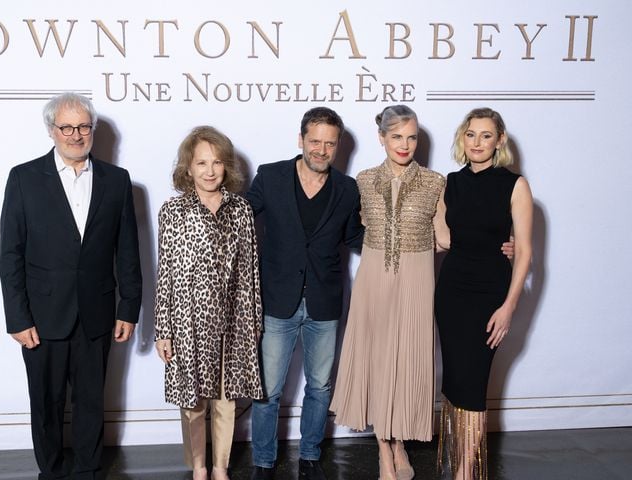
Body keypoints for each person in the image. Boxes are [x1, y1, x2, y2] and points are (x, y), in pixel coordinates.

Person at [0, 92, 142, 480]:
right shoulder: (24, 178)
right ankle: (51, 472)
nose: (76, 135)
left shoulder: (117, 180)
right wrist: (17, 317)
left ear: (92, 130)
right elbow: (10, 255)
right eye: (67, 127)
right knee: (46, 403)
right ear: (52, 131)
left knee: (91, 402)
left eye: (83, 127)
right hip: (41, 318)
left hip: (97, 313)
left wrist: (129, 307)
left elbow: (127, 251)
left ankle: (88, 471)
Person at [247, 107, 364, 480]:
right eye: (315, 141)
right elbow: (239, 220)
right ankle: (263, 462)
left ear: (338, 146)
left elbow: (357, 238)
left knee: (319, 386)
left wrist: (413, 236)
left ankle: (310, 456)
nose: (321, 149)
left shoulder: (347, 188)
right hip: (277, 300)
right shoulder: (270, 175)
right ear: (301, 140)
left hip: (325, 302)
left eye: (329, 143)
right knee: (268, 390)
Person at [330, 105, 445, 480]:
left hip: (416, 279)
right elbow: (349, 226)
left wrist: (497, 243)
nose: (404, 144)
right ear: (381, 138)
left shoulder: (435, 182)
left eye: (411, 137)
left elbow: (444, 237)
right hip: (374, 278)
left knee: (408, 361)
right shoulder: (361, 180)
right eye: (396, 136)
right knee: (378, 362)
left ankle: (400, 443)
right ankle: (384, 449)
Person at [154, 126, 264, 480]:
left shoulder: (242, 210)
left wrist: (254, 323)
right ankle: (198, 467)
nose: (210, 170)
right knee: (193, 403)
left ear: (226, 166)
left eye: (217, 162)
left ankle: (220, 467)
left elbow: (250, 272)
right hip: (187, 323)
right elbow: (165, 274)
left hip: (234, 320)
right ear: (188, 168)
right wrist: (163, 331)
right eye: (201, 162)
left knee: (226, 401)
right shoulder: (173, 212)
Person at [434, 107, 533, 480]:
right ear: (463, 139)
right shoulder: (450, 182)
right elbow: (442, 238)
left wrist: (508, 307)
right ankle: (460, 463)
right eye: (471, 134)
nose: (477, 142)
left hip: (490, 294)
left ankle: (464, 472)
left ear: (500, 140)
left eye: (486, 135)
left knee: (474, 383)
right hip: (451, 292)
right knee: (456, 380)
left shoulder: (515, 185)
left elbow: (524, 251)